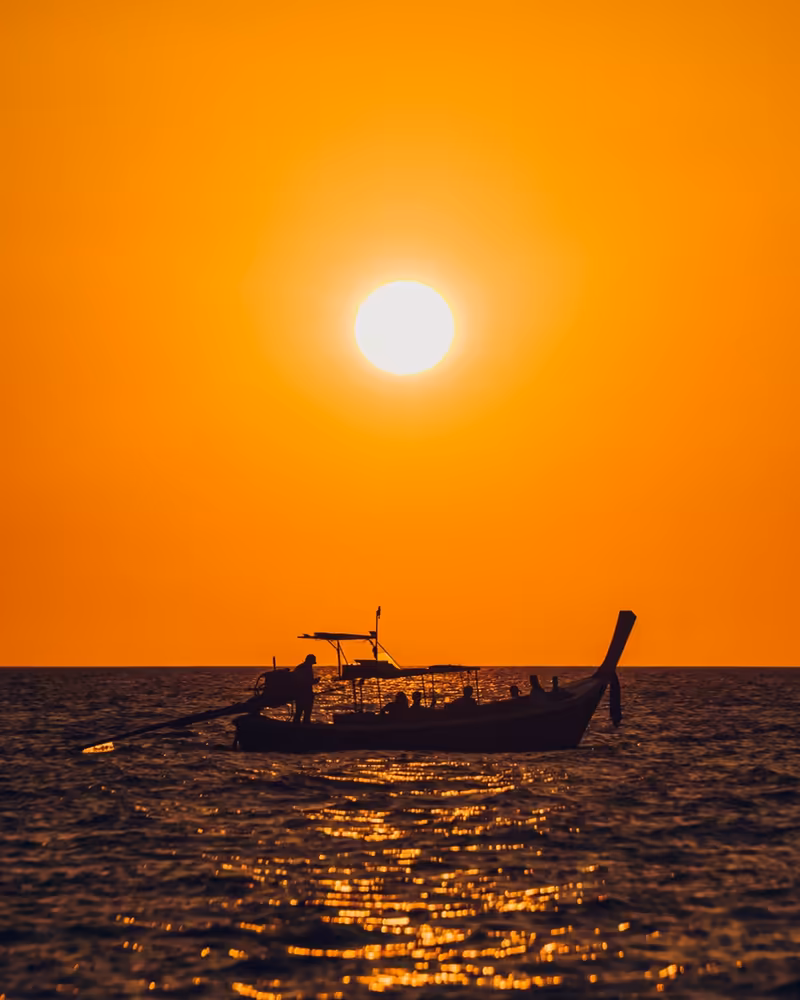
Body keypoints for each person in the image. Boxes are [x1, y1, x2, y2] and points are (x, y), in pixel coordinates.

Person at [292, 653, 317, 724]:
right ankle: (303, 725)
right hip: (304, 693)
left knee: (299, 712)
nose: (312, 665)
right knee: (305, 712)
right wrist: (314, 681)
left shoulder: (300, 667)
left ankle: (297, 725)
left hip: (300, 693)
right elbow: (306, 681)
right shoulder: (305, 668)